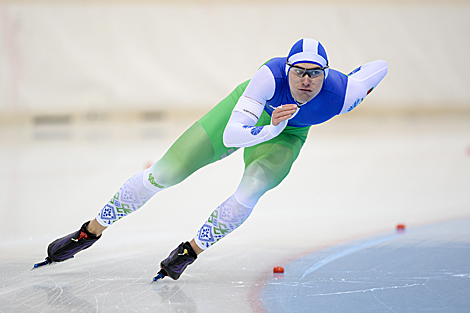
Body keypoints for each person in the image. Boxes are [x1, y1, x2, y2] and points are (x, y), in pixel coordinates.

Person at [40, 38, 388, 281]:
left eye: (315, 73)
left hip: (289, 133)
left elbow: (379, 68)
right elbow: (231, 135)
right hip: (249, 120)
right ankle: (90, 231)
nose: (306, 81)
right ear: (287, 69)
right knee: (166, 172)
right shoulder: (269, 76)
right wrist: (270, 127)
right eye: (299, 71)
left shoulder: (344, 93)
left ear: (327, 73)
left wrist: (353, 79)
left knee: (251, 190)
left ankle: (189, 252)